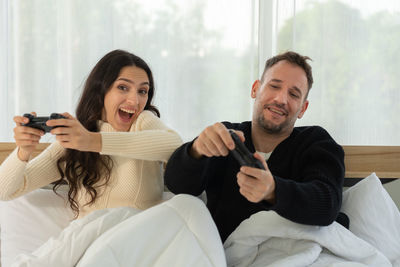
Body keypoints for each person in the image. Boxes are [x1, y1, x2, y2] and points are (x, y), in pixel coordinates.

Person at [164, 51, 348, 243]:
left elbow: (328, 203)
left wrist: (273, 191)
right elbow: (177, 185)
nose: (281, 99)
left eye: (293, 94)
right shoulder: (226, 137)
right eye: (274, 86)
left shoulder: (316, 142)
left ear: (303, 108)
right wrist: (196, 150)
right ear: (255, 89)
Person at [0, 49, 182, 219]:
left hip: (137, 242)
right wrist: (22, 152)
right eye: (123, 88)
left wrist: (92, 141)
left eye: (143, 91)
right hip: (91, 242)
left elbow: (175, 146)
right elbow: (5, 191)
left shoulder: (143, 123)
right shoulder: (74, 143)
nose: (135, 100)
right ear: (101, 90)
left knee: (191, 207)